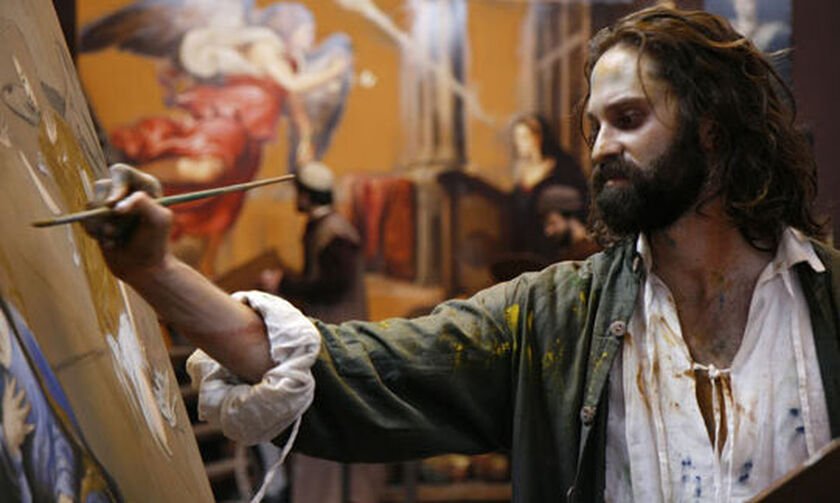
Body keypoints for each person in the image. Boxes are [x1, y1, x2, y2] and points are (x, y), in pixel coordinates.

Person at [83, 6, 840, 502]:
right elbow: (352, 369)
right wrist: (155, 270)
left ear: (711, 131)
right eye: (594, 125)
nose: (600, 146)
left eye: (630, 118)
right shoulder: (555, 319)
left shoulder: (830, 303)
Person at [259, 161, 385, 503]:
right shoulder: (324, 228)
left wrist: (284, 283)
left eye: (298, 193)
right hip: (323, 335)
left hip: (337, 335)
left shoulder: (335, 233)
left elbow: (333, 286)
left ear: (307, 195)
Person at [508, 113, 588, 259]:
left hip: (557, 240)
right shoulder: (522, 171)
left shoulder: (562, 164)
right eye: (517, 138)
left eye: (524, 137)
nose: (518, 143)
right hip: (528, 241)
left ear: (538, 137)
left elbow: (581, 197)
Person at [536, 185, 601, 262]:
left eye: (552, 223)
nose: (548, 232)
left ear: (568, 216)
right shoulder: (569, 253)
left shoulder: (590, 252)